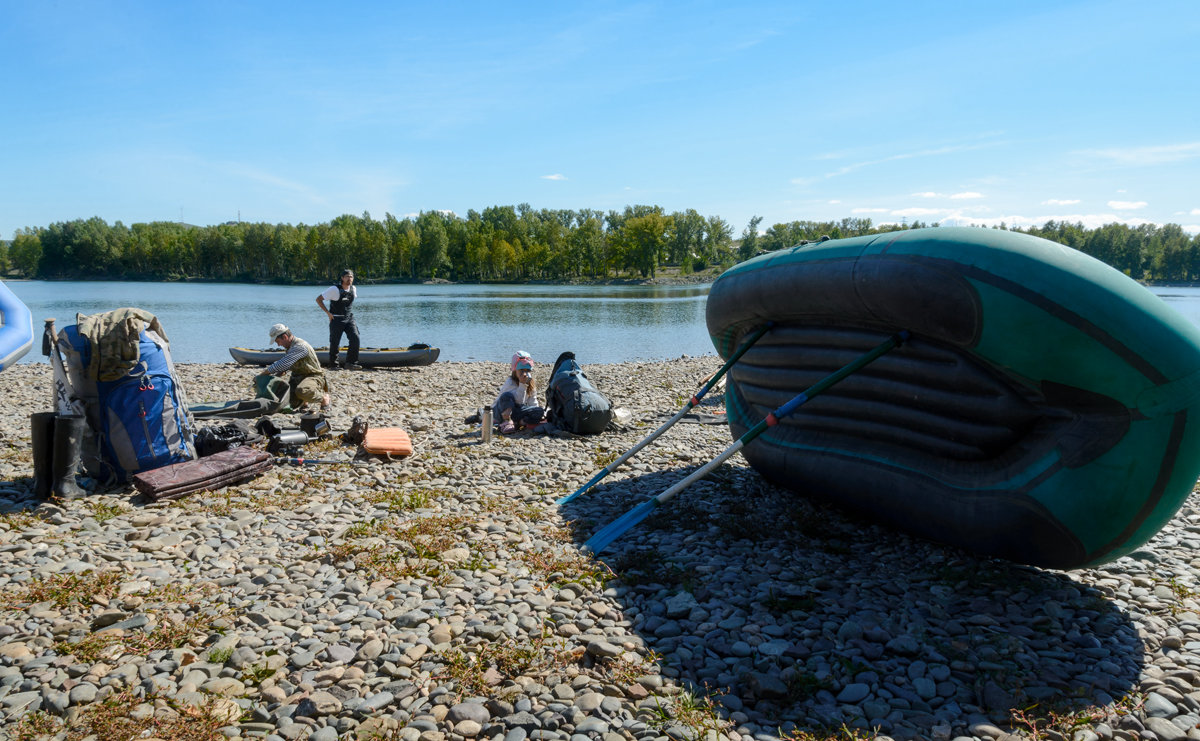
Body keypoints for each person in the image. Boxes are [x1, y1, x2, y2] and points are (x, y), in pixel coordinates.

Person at [257, 323, 330, 411]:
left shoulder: (300, 346)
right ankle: (304, 402)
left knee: (302, 390)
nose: (278, 345)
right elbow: (287, 365)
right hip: (297, 378)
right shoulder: (290, 347)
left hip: (313, 376)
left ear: (284, 337)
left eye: (278, 341)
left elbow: (282, 363)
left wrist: (264, 373)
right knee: (288, 403)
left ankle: (324, 398)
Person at [491, 351, 547, 433]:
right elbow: (519, 401)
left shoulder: (530, 383)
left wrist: (538, 413)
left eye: (527, 371)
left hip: (517, 412)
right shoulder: (510, 382)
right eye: (521, 371)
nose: (525, 374)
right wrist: (522, 384)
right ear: (515, 371)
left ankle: (518, 423)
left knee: (539, 410)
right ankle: (506, 422)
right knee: (507, 395)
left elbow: (532, 402)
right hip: (501, 412)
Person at [316, 269, 361, 370]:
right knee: (335, 342)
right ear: (342, 278)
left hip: (349, 318)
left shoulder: (353, 289)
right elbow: (318, 299)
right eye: (347, 276)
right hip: (336, 318)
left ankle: (351, 363)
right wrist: (328, 313)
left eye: (351, 277)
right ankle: (333, 365)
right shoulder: (334, 289)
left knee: (355, 338)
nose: (349, 279)